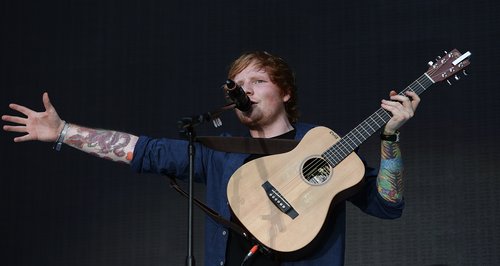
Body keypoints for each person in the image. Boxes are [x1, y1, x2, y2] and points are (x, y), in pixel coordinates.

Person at [2, 51, 420, 266]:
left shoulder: (323, 146)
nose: (247, 90)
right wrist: (63, 132)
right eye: (238, 84)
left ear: (286, 92)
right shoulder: (220, 157)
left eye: (258, 80)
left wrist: (390, 139)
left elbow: (388, 205)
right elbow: (142, 150)